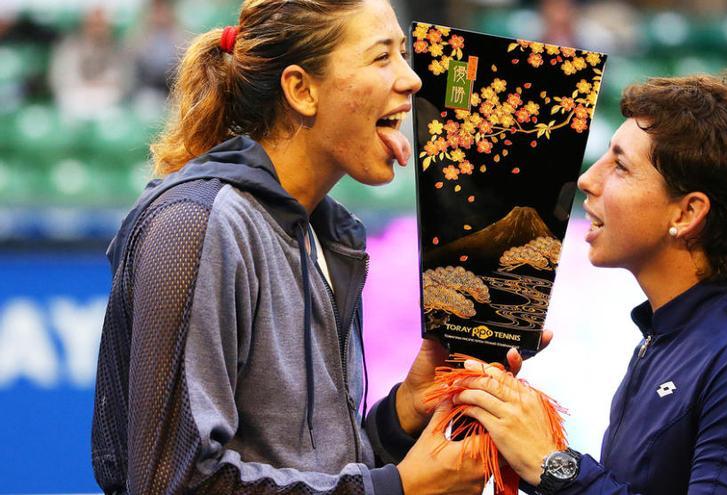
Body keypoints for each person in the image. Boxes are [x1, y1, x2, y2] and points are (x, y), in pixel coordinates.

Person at [91, 0, 538, 493]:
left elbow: (314, 468)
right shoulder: (196, 224)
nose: (413, 79)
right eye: (382, 57)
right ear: (302, 90)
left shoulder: (324, 233)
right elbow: (171, 483)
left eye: (404, 54)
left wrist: (406, 410)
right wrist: (397, 490)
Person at [455, 73, 727, 494]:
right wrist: (516, 437)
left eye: (620, 166)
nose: (588, 180)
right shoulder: (668, 339)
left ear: (686, 214)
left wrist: (553, 465)